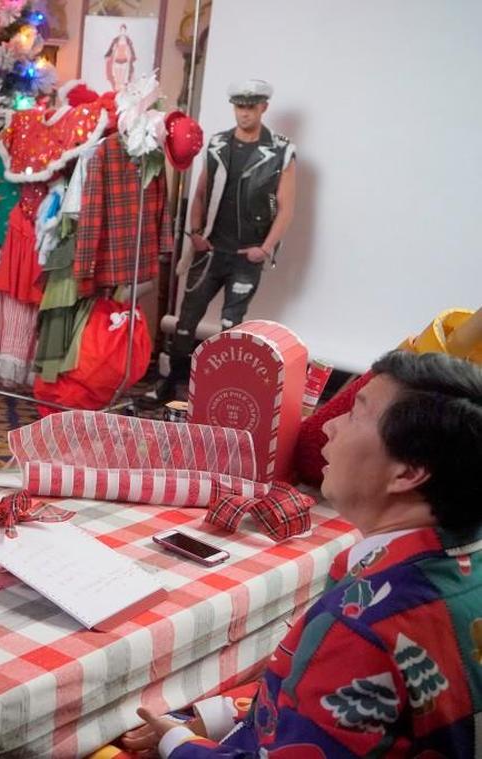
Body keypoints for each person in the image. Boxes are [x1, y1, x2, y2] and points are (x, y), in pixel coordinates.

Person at [125, 350, 482, 757]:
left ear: (407, 472)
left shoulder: (360, 627)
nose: (329, 426)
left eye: (354, 415)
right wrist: (224, 713)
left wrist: (180, 744)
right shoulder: (463, 564)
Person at [153, 79, 296, 403]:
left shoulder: (281, 151)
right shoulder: (218, 145)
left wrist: (265, 248)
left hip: (247, 254)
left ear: (263, 107)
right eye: (239, 106)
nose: (244, 113)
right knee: (187, 320)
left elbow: (287, 207)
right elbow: (201, 193)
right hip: (212, 250)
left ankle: (216, 388)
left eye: (250, 106)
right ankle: (173, 381)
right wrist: (196, 233)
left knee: (231, 324)